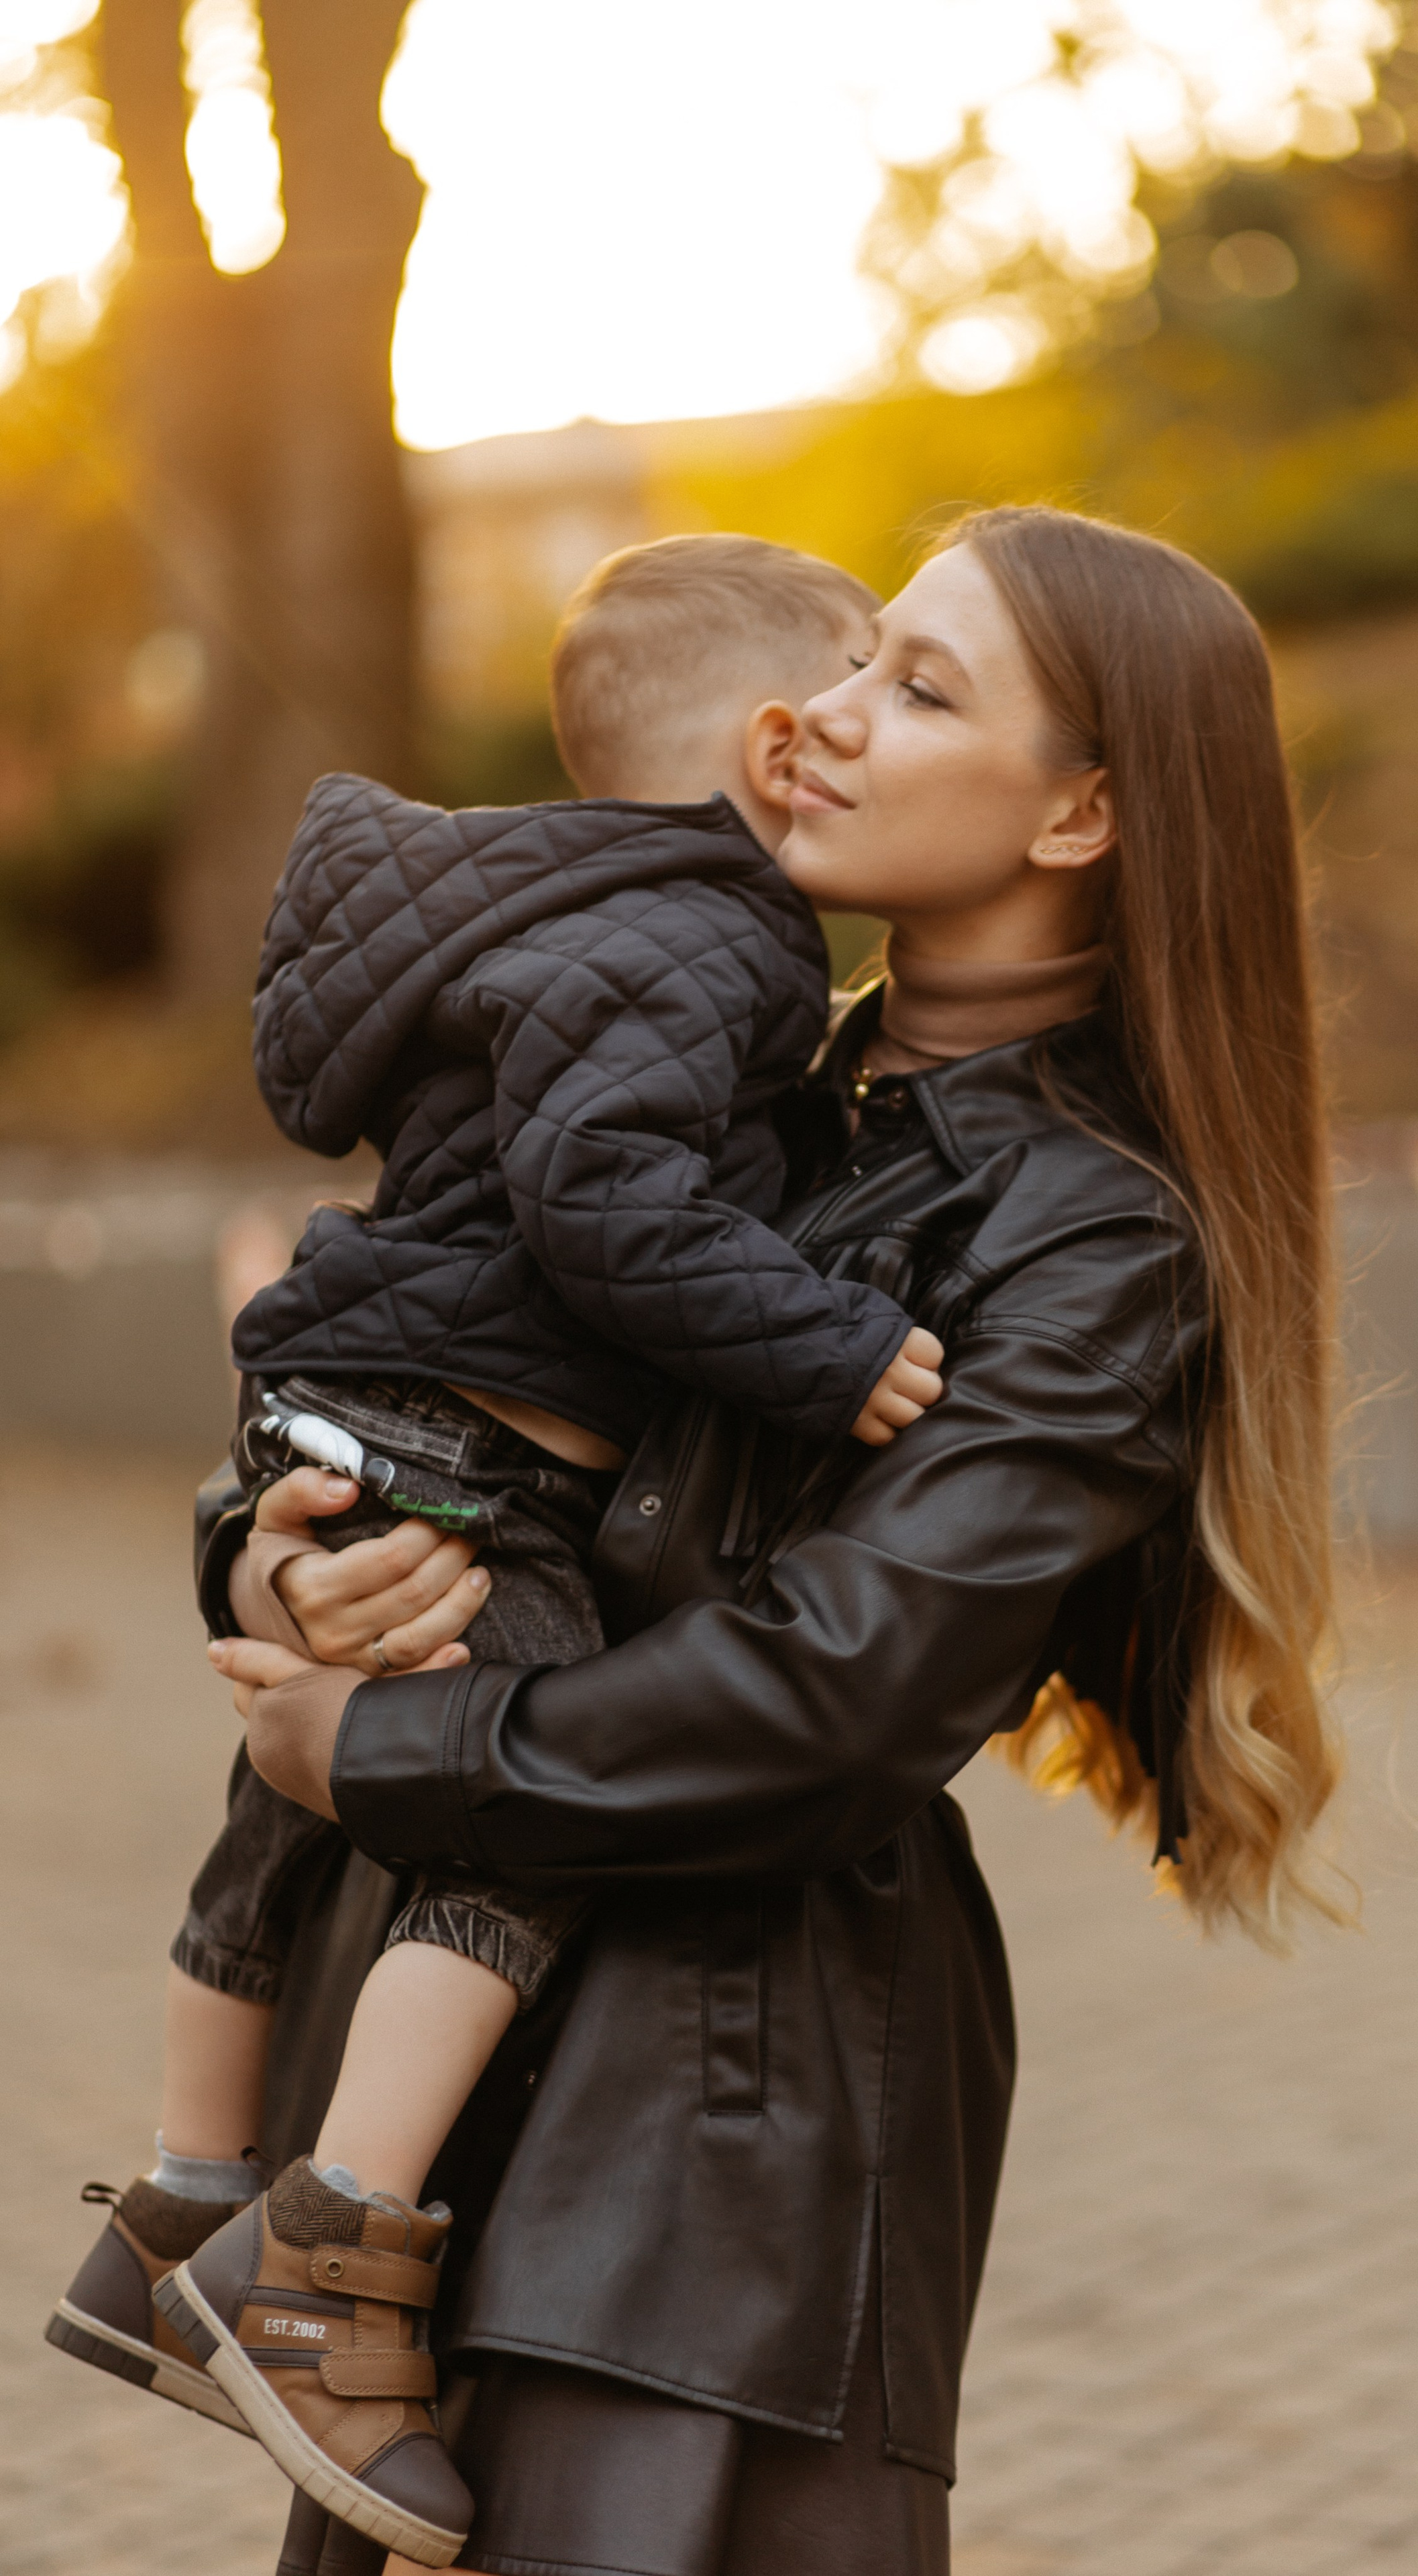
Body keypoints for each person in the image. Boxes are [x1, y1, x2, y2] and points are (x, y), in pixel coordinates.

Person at [176, 505, 1346, 2576]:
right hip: (428, 2120)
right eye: (854, 653)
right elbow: (391, 1345)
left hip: (721, 2139)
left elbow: (846, 1690)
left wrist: (377, 1750)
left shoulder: (1092, 1234)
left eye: (921, 685)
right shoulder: (718, 1079)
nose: (825, 715)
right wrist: (288, 1561)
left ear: (1082, 813)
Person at [48, 534, 949, 2569]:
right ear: (781, 740)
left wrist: (262, 1555)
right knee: (514, 1812)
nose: (883, 723)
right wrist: (832, 1348)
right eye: (877, 682)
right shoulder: (718, 940)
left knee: (284, 1797)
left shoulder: (578, 907)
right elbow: (602, 1199)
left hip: (358, 1403)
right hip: (466, 1443)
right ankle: (326, 2259)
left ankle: (189, 2200)